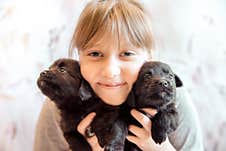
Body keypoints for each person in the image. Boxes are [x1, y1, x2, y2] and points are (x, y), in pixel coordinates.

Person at [33, 0, 204, 151]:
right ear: (79, 57)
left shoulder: (172, 100)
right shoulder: (61, 102)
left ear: (148, 57)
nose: (110, 71)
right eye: (95, 54)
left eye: (127, 54)